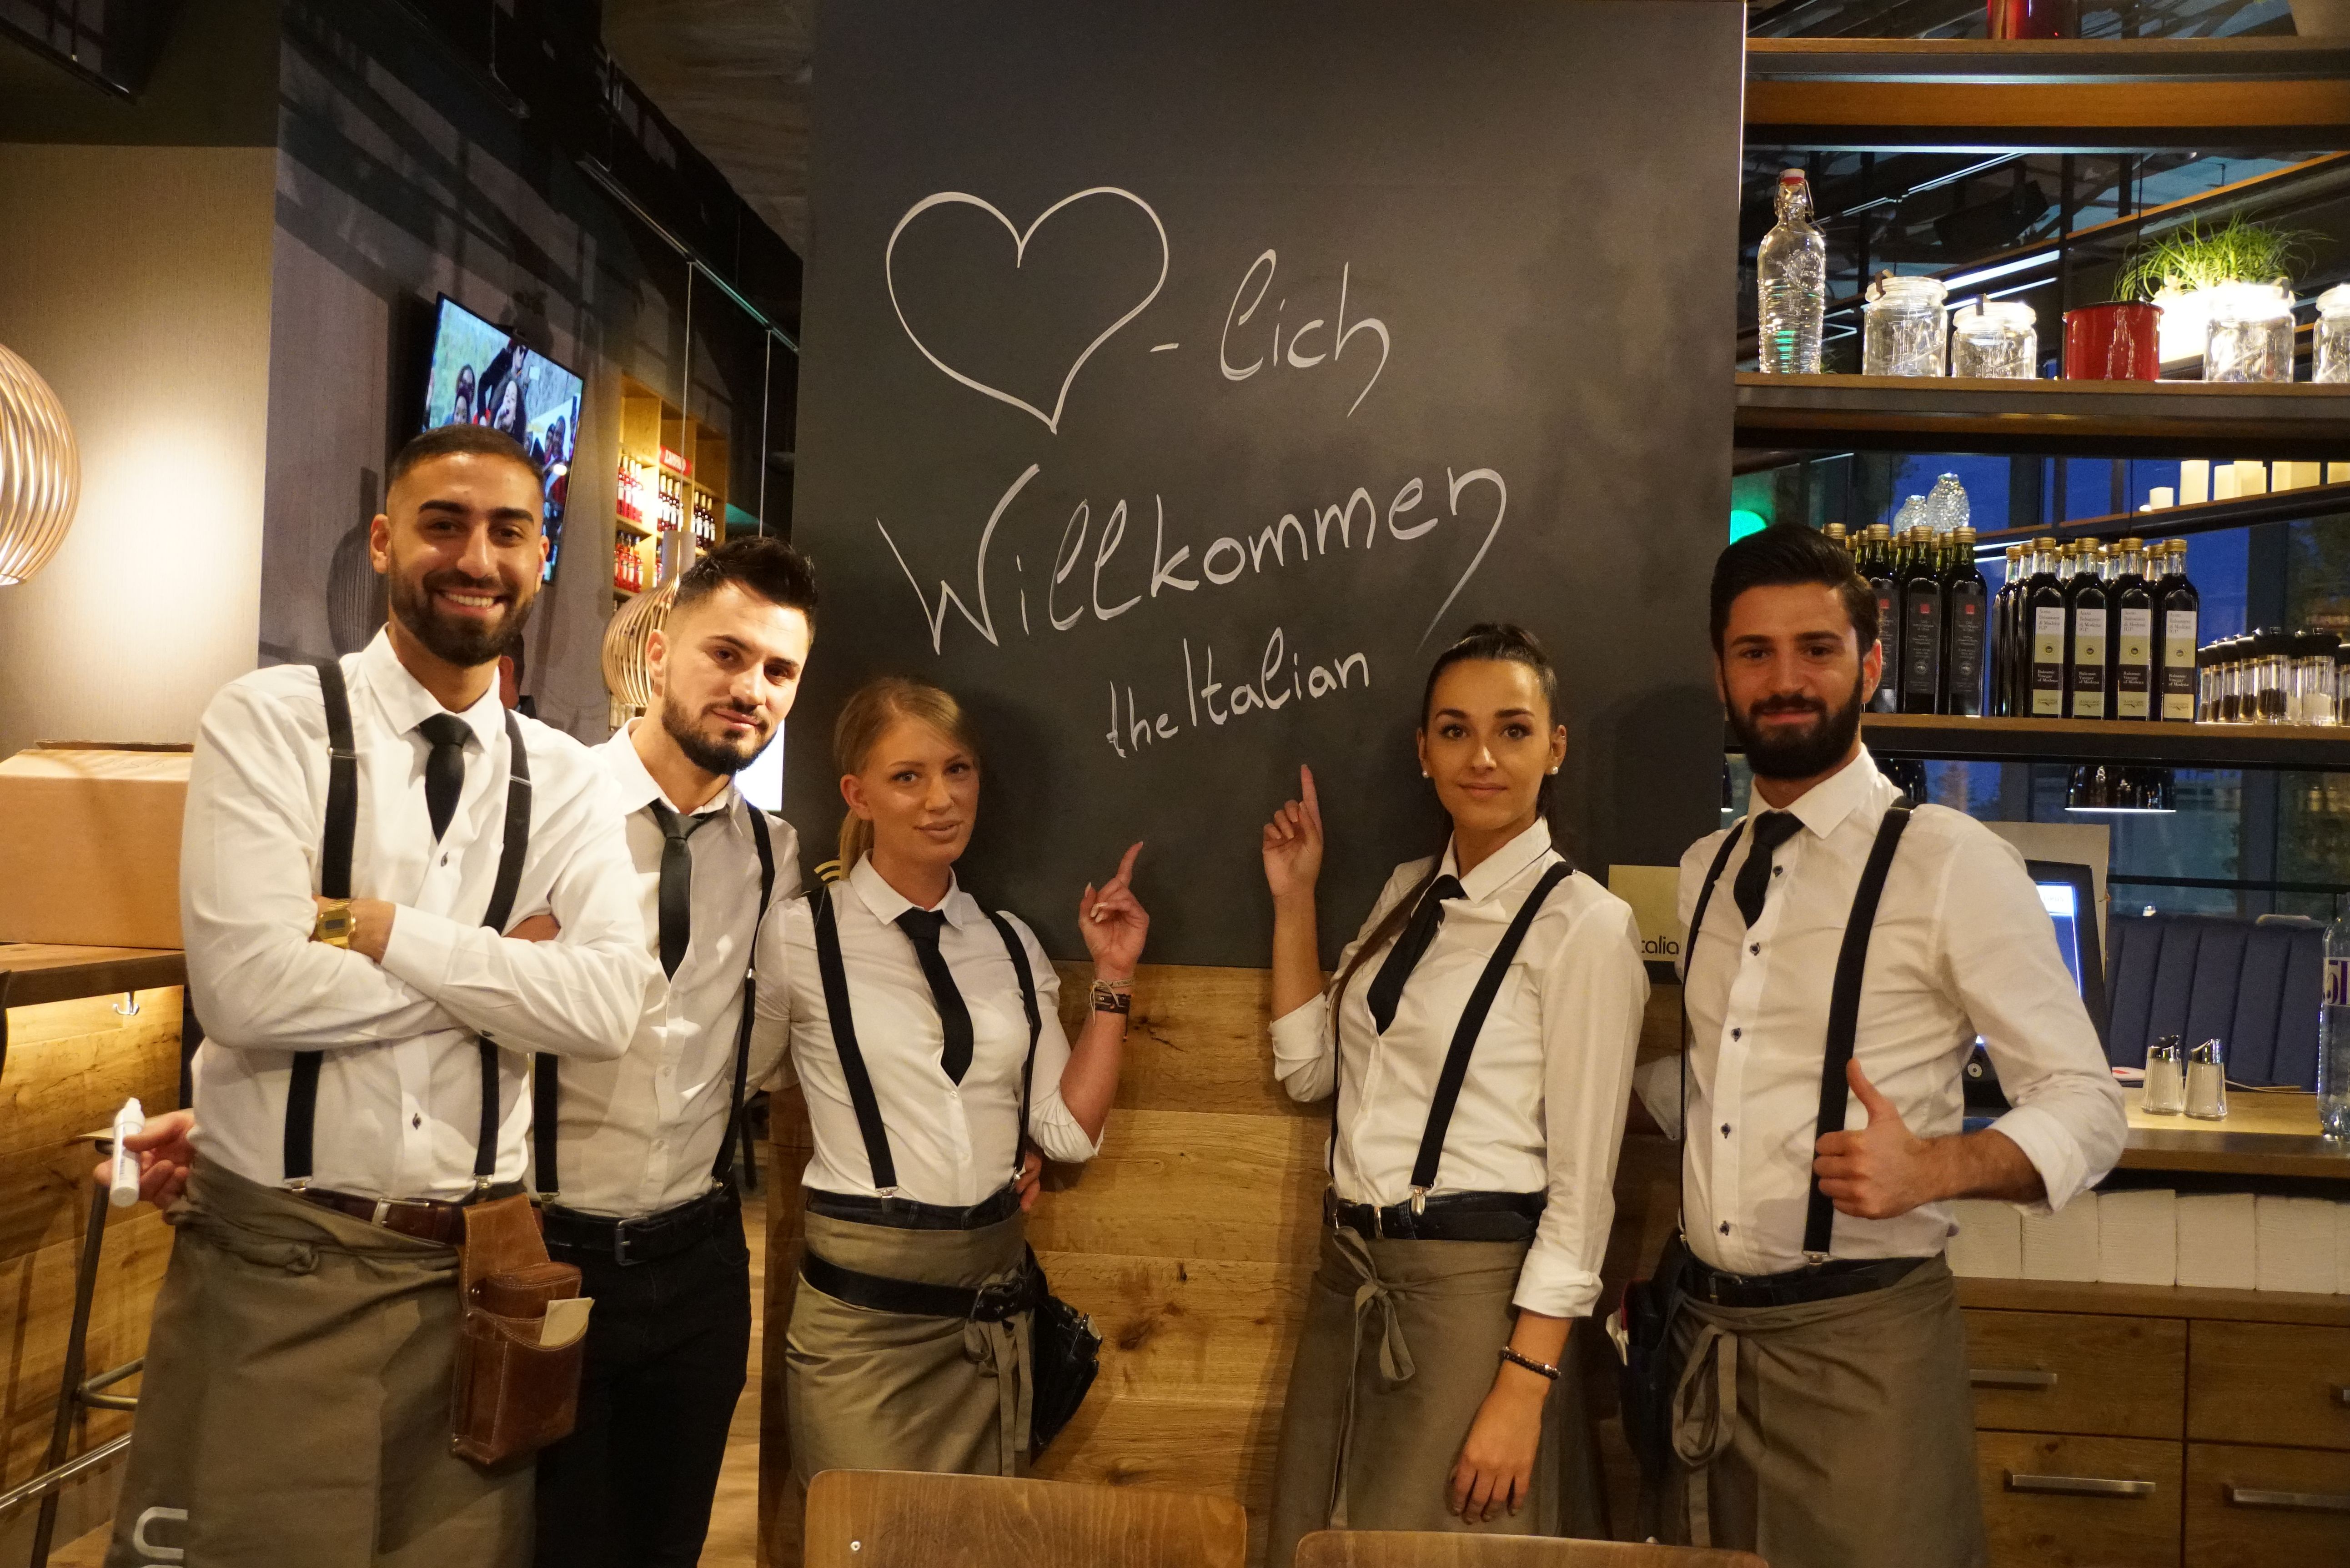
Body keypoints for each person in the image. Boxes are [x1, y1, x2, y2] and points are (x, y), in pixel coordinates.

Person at [104, 423, 657, 1568]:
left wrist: (377, 926)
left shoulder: (563, 775)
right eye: (443, 523)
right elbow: (248, 987)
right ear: (382, 539)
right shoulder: (269, 720)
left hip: (481, 1280)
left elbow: (605, 1008)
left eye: (509, 530)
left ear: (542, 556)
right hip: (280, 1263)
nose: (476, 556)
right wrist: (508, 968)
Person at [1638, 524, 2126, 1566]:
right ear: (1720, 672)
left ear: (1868, 664)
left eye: (1814, 649)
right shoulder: (1704, 868)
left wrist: (1936, 1165)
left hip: (1863, 1353)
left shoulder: (1952, 862)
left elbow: (2090, 1104)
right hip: (1702, 1347)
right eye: (1753, 652)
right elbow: (1734, 1077)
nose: (1784, 680)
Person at [1258, 623, 1648, 1567]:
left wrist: (1523, 1383)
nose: (1482, 756)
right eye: (1454, 729)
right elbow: (1309, 1070)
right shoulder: (1406, 892)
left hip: (1475, 1308)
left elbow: (1582, 1186)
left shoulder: (1586, 926)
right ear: (1421, 749)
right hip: (1349, 1284)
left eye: (1512, 730)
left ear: (1554, 748)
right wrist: (1295, 899)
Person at [774, 675, 1146, 1483]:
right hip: (859, 1325)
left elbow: (1067, 1133)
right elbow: (755, 1072)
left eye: (959, 770)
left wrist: (1114, 979)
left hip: (991, 1317)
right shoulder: (798, 937)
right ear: (858, 793)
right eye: (908, 776)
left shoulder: (1010, 943)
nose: (942, 799)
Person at [530, 536, 819, 1568]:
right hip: (543, 1252)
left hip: (698, 1266)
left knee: (668, 1547)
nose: (752, 688)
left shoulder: (775, 854)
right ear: (660, 653)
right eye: (727, 655)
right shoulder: (545, 808)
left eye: (779, 671)